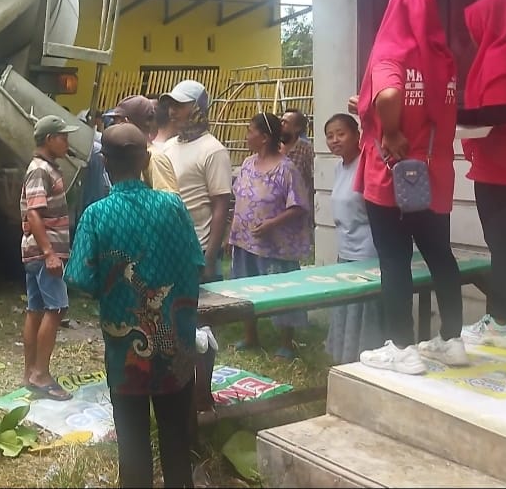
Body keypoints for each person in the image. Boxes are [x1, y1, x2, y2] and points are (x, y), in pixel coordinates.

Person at [66, 123, 203, 489]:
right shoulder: (173, 205)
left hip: (126, 348)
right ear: (145, 159)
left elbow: (79, 277)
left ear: (105, 163)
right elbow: (196, 261)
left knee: (132, 443)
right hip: (176, 343)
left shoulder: (97, 214)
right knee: (176, 437)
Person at [355, 0, 468, 374]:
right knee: (441, 256)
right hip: (434, 173)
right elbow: (427, 105)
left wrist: (389, 130)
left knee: (395, 259)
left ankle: (402, 349)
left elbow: (389, 95)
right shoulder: (444, 58)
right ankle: (452, 340)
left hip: (394, 175)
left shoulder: (391, 50)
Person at [458, 0, 506, 349]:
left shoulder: (502, 55)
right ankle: (502, 320)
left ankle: (500, 321)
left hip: (503, 171)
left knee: (504, 247)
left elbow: (501, 111)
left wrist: (451, 116)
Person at [230, 112, 311, 360]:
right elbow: (240, 199)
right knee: (245, 287)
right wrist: (230, 234)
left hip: (274, 245)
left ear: (264, 137)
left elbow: (299, 206)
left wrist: (272, 224)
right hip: (245, 241)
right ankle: (250, 335)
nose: (246, 135)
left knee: (281, 290)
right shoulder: (246, 164)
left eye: (250, 131)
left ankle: (287, 341)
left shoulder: (286, 169)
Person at [21, 115, 79, 401]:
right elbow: (33, 212)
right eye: (62, 137)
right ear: (49, 139)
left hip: (37, 252)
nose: (67, 142)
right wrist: (49, 253)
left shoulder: (45, 168)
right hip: (44, 253)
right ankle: (41, 375)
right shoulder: (40, 170)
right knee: (56, 308)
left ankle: (30, 372)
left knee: (36, 309)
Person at [323, 114, 383, 363]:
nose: (335, 140)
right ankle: (344, 358)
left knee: (364, 309)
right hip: (345, 248)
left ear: (357, 134)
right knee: (345, 306)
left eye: (341, 133)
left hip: (368, 249)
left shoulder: (368, 163)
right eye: (329, 136)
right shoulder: (340, 167)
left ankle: (366, 358)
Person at [163, 80, 232, 282]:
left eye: (179, 106)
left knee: (202, 311)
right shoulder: (166, 147)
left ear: (197, 109)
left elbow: (221, 206)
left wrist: (209, 259)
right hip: (170, 247)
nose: (172, 112)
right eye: (170, 106)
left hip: (199, 249)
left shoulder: (213, 150)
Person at [103, 95, 178, 192]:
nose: (114, 125)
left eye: (117, 121)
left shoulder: (154, 158)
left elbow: (170, 203)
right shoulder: (131, 155)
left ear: (127, 122)